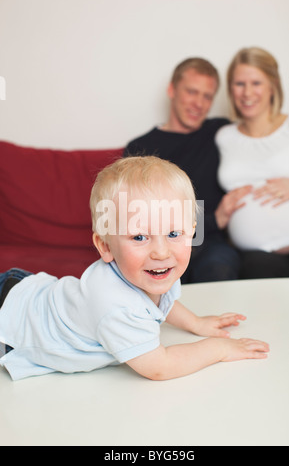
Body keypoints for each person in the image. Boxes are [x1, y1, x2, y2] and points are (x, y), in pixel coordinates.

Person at [0, 156, 269, 381]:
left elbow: (162, 301)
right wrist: (218, 348)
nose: (161, 252)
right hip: (11, 323)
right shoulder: (114, 305)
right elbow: (159, 367)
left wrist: (196, 323)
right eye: (139, 237)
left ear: (191, 232)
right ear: (105, 247)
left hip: (29, 292)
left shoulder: (154, 271)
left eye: (174, 234)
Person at [125, 58, 251, 284]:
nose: (199, 104)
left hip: (211, 246)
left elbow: (263, 135)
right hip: (160, 245)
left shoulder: (220, 131)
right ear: (172, 90)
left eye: (207, 96)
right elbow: (138, 218)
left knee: (219, 269)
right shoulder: (139, 149)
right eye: (192, 92)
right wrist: (215, 219)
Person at [216, 47, 289, 279]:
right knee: (265, 299)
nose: (247, 93)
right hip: (256, 254)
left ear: (273, 85)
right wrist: (218, 216)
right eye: (239, 84)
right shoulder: (224, 136)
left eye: (256, 83)